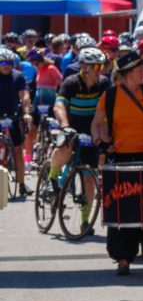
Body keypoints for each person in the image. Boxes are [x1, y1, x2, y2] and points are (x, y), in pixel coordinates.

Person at [91, 51, 143, 276]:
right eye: (140, 70)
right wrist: (100, 143)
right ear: (128, 73)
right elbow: (96, 123)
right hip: (120, 160)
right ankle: (123, 258)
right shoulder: (110, 96)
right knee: (122, 211)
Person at [49, 47, 111, 222]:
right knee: (64, 147)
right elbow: (59, 106)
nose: (100, 70)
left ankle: (85, 220)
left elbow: (110, 110)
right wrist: (65, 127)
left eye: (101, 66)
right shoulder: (71, 83)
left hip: (92, 131)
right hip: (72, 127)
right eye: (96, 67)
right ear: (84, 66)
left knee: (89, 178)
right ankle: (52, 175)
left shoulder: (104, 84)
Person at [0, 48, 32, 195]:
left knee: (18, 151)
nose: (7, 66)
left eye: (9, 63)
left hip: (13, 116)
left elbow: (24, 95)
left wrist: (26, 113)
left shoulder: (18, 76)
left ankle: (22, 184)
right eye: (3, 63)